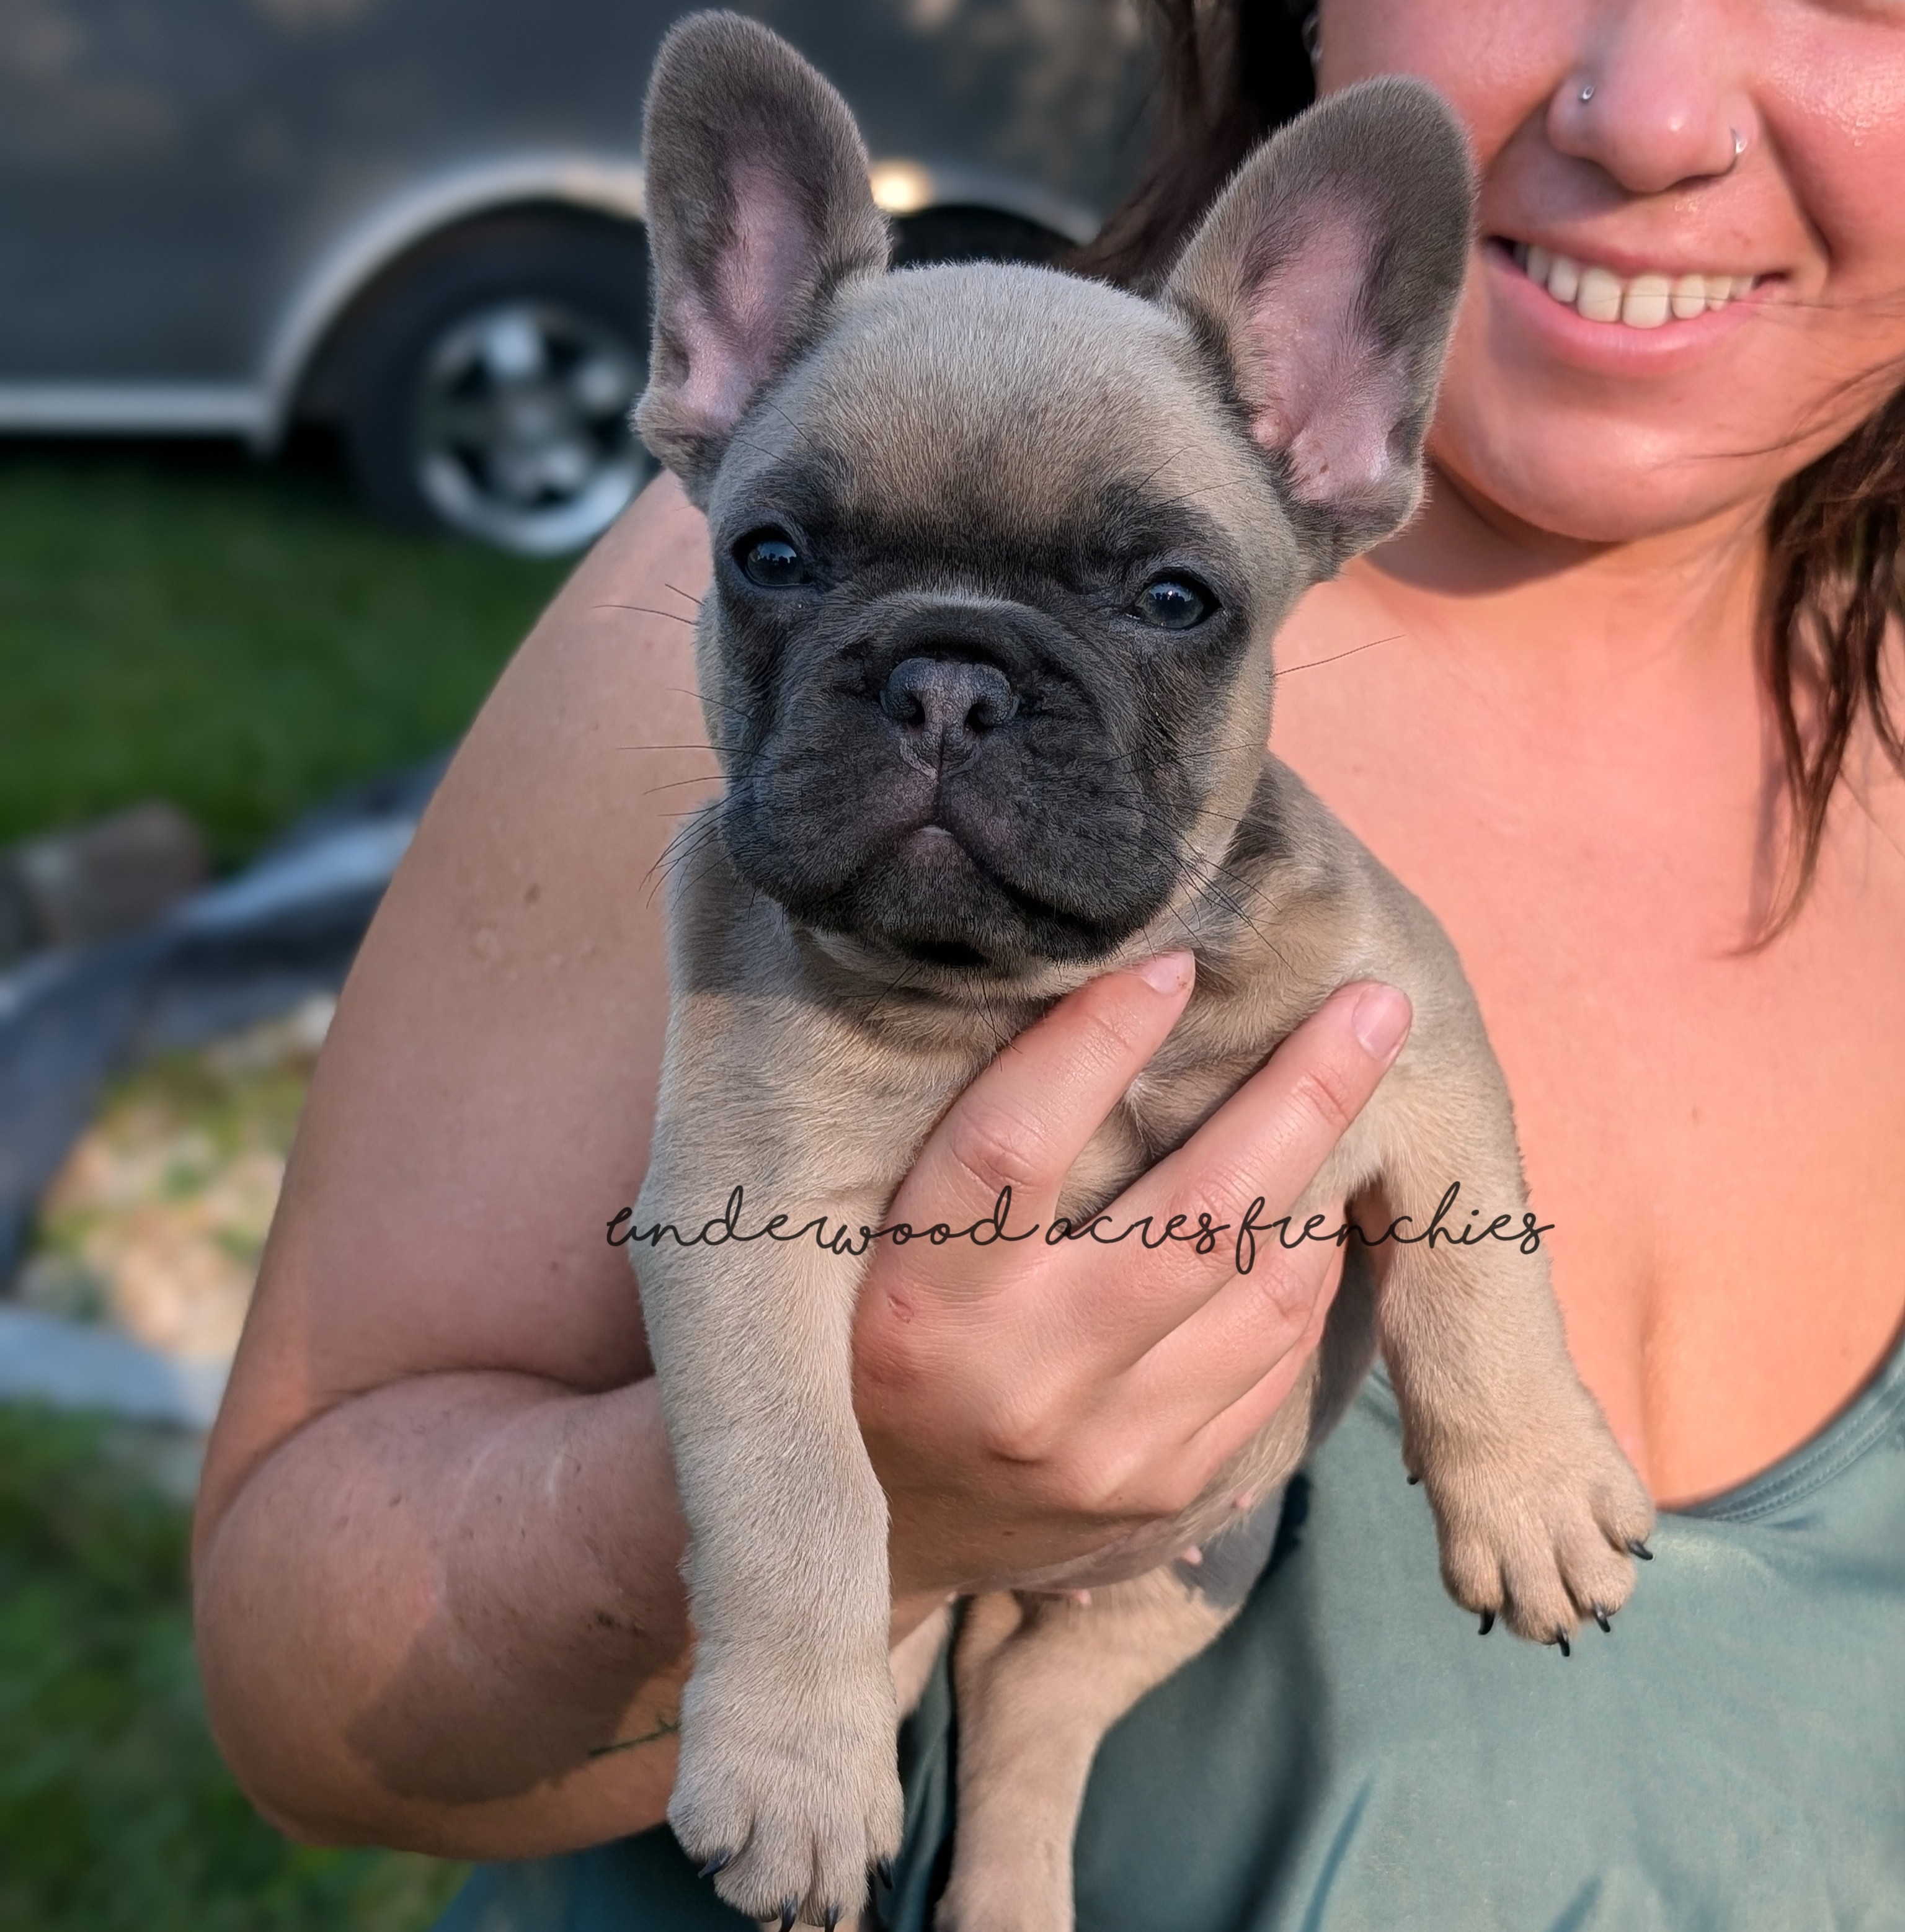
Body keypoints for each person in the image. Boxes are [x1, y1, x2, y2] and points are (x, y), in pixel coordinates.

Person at [191, 0, 1905, 1924]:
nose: (1657, 104)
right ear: (709, 371)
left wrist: (1488, 1381)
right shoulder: (657, 722)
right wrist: (853, 1523)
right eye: (791, 566)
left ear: (1334, 425)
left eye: (1163, 601)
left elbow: (1423, 1102)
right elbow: (294, 1690)